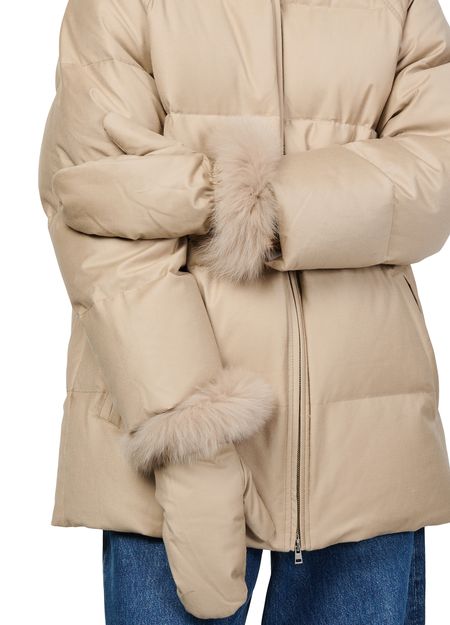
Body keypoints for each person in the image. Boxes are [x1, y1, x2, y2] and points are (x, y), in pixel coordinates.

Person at [39, 0, 450, 623]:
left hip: (366, 449)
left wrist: (252, 203)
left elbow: (433, 180)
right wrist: (191, 433)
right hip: (162, 461)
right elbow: (101, 214)